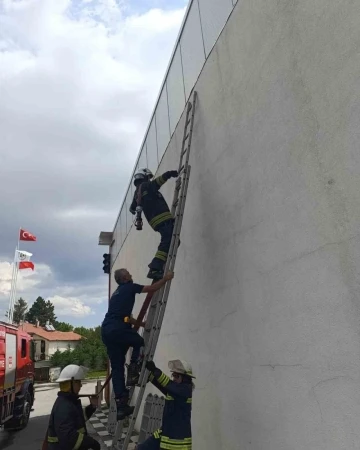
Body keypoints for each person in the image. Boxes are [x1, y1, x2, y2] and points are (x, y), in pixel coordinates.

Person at [101, 268, 174, 420]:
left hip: (108, 331)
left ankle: (121, 406)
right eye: (129, 273)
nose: (131, 274)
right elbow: (152, 289)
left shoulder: (117, 294)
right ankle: (134, 369)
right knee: (139, 342)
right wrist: (166, 278)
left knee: (117, 367)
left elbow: (126, 318)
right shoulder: (130, 287)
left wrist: (142, 324)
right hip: (118, 328)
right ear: (125, 277)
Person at [129, 168, 179, 280]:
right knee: (168, 241)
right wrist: (169, 173)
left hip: (155, 221)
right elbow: (158, 181)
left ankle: (159, 264)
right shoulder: (147, 186)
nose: (149, 179)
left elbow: (132, 209)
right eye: (148, 177)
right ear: (144, 177)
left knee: (174, 241)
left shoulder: (137, 193)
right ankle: (155, 267)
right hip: (163, 218)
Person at [137, 359, 195, 450]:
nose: (174, 378)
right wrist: (149, 375)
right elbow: (163, 385)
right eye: (173, 375)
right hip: (165, 434)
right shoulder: (174, 391)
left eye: (177, 376)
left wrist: (155, 370)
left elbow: (168, 384)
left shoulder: (185, 390)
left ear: (185, 378)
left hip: (178, 444)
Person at [44, 364, 100, 450]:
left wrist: (92, 406)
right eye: (78, 382)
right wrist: (91, 442)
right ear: (70, 384)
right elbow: (68, 437)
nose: (81, 385)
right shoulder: (64, 406)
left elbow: (78, 419)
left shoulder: (69, 402)